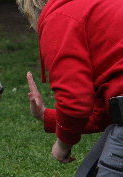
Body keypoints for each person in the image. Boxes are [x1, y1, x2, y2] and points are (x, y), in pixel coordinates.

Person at [17, 0, 123, 176]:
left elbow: (76, 102)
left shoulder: (61, 17)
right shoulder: (101, 9)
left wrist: (63, 144)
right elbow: (108, 110)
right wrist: (47, 116)